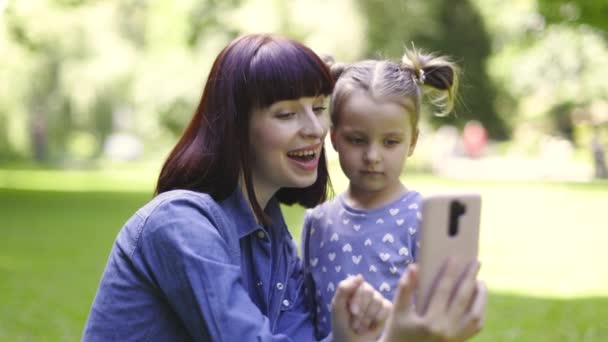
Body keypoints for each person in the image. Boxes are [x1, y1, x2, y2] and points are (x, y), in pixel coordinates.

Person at [83, 34, 485, 342]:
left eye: (318, 107)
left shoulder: (274, 240)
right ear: (237, 127)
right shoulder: (179, 223)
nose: (314, 129)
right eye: (287, 113)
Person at [302, 49, 469, 337]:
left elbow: (437, 321)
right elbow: (306, 314)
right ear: (334, 138)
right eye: (357, 140)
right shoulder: (317, 222)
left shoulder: (425, 219)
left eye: (390, 142)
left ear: (412, 142)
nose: (372, 156)